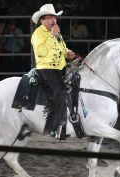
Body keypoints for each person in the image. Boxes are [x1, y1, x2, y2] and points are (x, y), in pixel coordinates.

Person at [31, 4, 76, 139]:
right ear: (42, 20)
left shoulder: (57, 33)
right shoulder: (38, 34)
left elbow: (62, 48)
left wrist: (67, 53)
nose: (53, 20)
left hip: (59, 68)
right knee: (61, 91)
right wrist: (51, 36)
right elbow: (41, 52)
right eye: (49, 18)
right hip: (46, 69)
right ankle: (56, 128)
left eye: (54, 17)